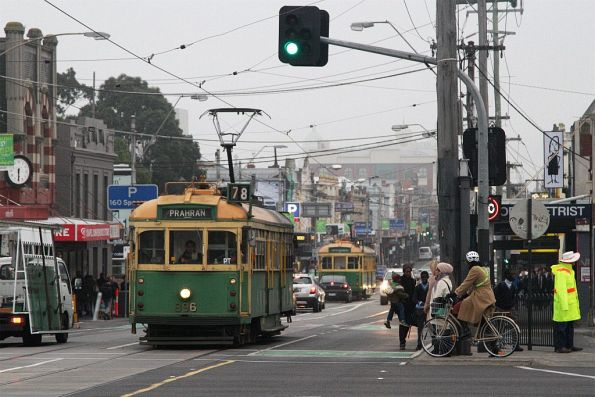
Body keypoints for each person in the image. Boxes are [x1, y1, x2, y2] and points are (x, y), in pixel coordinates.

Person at [453, 251, 496, 337]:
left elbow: (466, 283)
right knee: (484, 323)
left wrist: (455, 293)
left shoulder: (474, 269)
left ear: (468, 262)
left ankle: (466, 331)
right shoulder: (482, 269)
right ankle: (493, 346)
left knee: (457, 308)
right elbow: (475, 285)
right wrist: (464, 295)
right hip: (487, 296)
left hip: (481, 297)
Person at [551, 251, 582, 353]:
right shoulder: (561, 272)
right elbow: (561, 291)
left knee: (569, 327)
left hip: (569, 305)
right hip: (564, 306)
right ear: (569, 262)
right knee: (561, 328)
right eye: (573, 261)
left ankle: (569, 345)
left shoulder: (569, 272)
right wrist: (564, 305)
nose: (574, 263)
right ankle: (560, 347)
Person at [494, 269, 524, 352]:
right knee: (500, 327)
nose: (514, 276)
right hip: (500, 308)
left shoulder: (514, 286)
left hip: (510, 308)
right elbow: (496, 296)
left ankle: (516, 344)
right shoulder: (500, 285)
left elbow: (514, 297)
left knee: (515, 325)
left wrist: (512, 304)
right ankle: (499, 344)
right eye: (512, 274)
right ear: (507, 275)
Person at [398, 264, 416, 350]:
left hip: (411, 306)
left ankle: (419, 343)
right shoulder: (400, 281)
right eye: (407, 271)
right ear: (404, 272)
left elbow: (414, 292)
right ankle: (402, 342)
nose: (409, 273)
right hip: (403, 305)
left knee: (410, 323)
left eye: (410, 271)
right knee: (403, 325)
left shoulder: (413, 281)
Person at [413, 270, 430, 350]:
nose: (424, 279)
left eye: (425, 277)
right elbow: (414, 298)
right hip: (420, 309)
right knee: (420, 328)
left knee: (431, 326)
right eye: (422, 277)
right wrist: (419, 302)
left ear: (427, 278)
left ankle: (434, 343)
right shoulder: (418, 287)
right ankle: (419, 344)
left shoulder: (430, 286)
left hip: (428, 308)